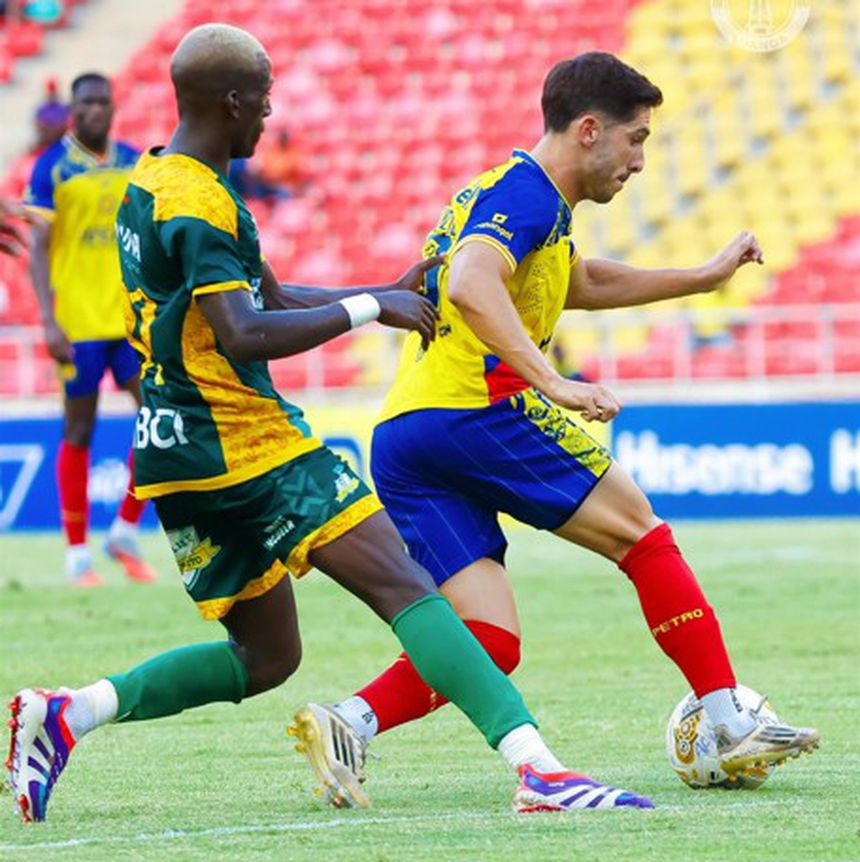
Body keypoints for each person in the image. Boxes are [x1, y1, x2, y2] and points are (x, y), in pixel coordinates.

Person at [5, 25, 655, 825]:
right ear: (234, 101)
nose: (272, 115)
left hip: (173, 454)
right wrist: (365, 308)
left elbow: (268, 298)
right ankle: (542, 772)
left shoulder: (154, 181)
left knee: (268, 656)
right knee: (409, 587)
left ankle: (68, 713)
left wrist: (380, 291)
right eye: (266, 98)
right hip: (244, 441)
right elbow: (246, 331)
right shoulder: (202, 200)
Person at [296, 52, 820, 804]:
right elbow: (469, 282)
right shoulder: (528, 194)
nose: (639, 161)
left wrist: (701, 278)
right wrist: (553, 381)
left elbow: (582, 281)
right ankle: (726, 713)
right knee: (641, 535)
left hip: (408, 435)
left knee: (492, 641)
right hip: (479, 407)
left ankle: (351, 720)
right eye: (634, 140)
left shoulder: (513, 198)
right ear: (587, 130)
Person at [24, 72, 157, 586]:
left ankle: (124, 530)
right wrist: (48, 318)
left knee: (159, 423)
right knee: (79, 430)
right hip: (77, 325)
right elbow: (37, 247)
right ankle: (77, 555)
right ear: (73, 110)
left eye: (104, 101)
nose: (96, 110)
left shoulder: (132, 161)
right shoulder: (50, 168)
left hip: (129, 323)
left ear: (113, 106)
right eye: (87, 103)